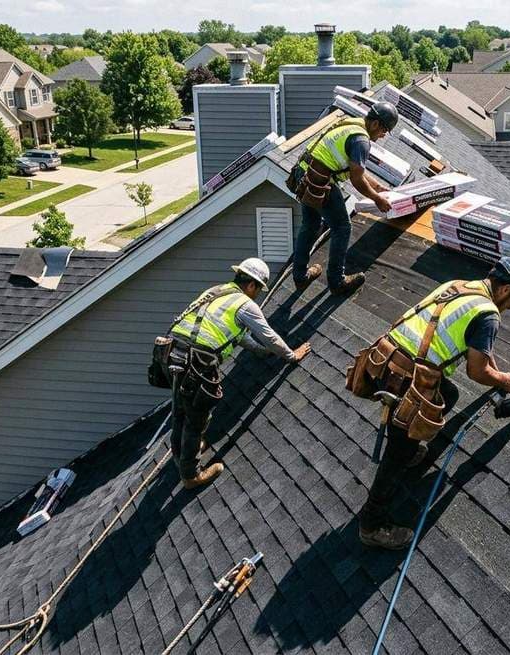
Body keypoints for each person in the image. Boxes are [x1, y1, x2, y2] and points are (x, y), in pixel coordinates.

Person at [353, 256, 510, 549]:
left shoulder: (460, 285)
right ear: (505, 291)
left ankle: (406, 440)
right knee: (396, 455)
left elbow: (477, 349)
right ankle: (372, 525)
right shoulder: (488, 314)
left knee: (448, 395)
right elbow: (477, 371)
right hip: (405, 380)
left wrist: (495, 368)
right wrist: (505, 381)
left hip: (383, 359)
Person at [160, 258, 311, 488]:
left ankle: (180, 450)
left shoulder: (216, 291)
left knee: (180, 406)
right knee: (196, 418)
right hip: (196, 363)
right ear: (252, 285)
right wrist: (291, 355)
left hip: (171, 353)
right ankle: (190, 474)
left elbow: (237, 336)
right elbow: (268, 335)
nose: (257, 294)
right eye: (258, 289)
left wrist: (262, 353)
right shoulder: (245, 304)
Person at [291, 102, 399, 296]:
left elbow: (355, 169)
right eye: (384, 130)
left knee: (310, 225)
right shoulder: (361, 141)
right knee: (342, 227)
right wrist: (377, 199)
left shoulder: (352, 124)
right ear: (376, 124)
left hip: (305, 173)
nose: (383, 136)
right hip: (319, 181)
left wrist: (377, 187)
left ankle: (300, 278)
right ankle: (337, 282)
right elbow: (356, 179)